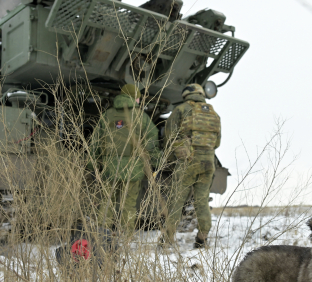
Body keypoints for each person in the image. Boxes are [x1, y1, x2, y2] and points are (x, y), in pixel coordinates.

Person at [88, 84, 160, 234]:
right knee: (128, 207)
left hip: (109, 170)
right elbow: (152, 141)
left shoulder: (107, 115)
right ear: (135, 98)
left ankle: (102, 237)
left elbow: (95, 142)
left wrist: (92, 165)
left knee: (106, 205)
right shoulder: (141, 117)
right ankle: (125, 240)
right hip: (133, 171)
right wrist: (155, 163)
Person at [164, 83, 221, 248]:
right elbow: (217, 142)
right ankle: (202, 238)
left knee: (177, 201)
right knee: (202, 201)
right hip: (208, 162)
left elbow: (169, 135)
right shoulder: (214, 114)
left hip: (188, 161)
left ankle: (167, 240)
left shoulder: (181, 110)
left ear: (185, 95)